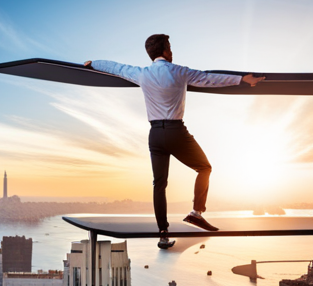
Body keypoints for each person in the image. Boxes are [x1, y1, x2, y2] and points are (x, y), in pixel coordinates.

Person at [85, 34, 265, 249]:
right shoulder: (179, 72)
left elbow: (115, 67)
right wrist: (242, 79)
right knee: (204, 168)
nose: (172, 51)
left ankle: (162, 233)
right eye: (170, 47)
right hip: (175, 132)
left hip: (155, 135)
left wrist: (93, 64)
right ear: (166, 50)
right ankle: (196, 213)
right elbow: (209, 78)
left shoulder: (141, 74)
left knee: (159, 184)